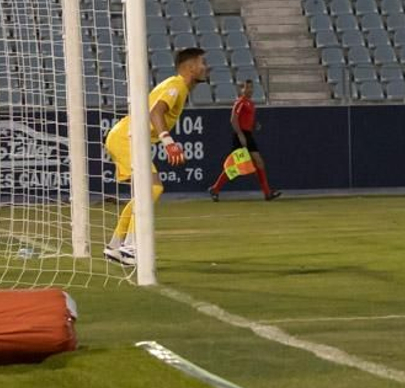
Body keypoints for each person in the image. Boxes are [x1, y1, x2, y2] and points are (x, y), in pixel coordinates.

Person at [102, 47, 209, 267]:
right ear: (190, 68)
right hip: (126, 138)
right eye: (202, 63)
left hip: (126, 137)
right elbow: (155, 112)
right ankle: (130, 248)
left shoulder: (177, 86)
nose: (205, 67)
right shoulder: (176, 85)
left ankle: (116, 245)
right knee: (153, 188)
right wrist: (169, 143)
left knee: (146, 191)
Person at [208, 79, 281, 201]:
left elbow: (246, 120)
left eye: (251, 88)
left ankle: (267, 193)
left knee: (256, 163)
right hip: (241, 136)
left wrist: (254, 125)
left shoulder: (250, 103)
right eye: (247, 88)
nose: (250, 90)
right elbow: (233, 120)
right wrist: (240, 135)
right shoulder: (240, 102)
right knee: (239, 166)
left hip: (248, 135)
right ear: (241, 89)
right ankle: (215, 188)